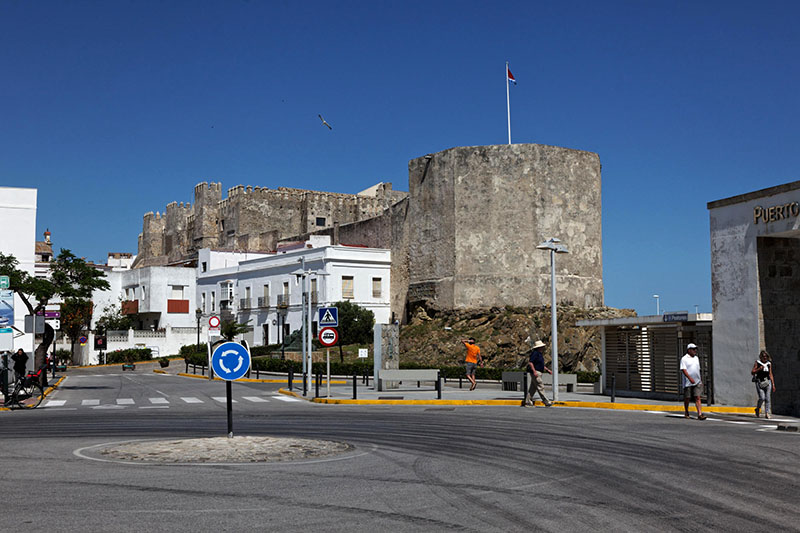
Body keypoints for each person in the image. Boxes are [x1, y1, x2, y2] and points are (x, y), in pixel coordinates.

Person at [680, 343, 706, 420]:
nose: (695, 351)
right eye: (693, 349)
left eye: (695, 349)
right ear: (689, 350)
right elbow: (683, 370)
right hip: (688, 382)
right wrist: (689, 378)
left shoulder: (696, 358)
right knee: (687, 397)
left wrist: (700, 380)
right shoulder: (684, 359)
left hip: (697, 381)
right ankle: (686, 411)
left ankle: (700, 414)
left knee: (697, 397)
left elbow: (698, 370)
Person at [524, 340, 553, 407]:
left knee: (533, 388)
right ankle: (546, 401)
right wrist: (534, 371)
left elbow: (541, 365)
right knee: (540, 386)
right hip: (536, 372)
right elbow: (531, 363)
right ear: (539, 347)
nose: (543, 348)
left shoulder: (539, 354)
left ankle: (528, 402)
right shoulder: (535, 353)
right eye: (542, 347)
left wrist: (547, 370)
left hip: (539, 371)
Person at [751, 350, 776, 419]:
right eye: (763, 357)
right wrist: (759, 369)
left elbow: (770, 374)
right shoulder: (757, 363)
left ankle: (767, 413)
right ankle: (757, 409)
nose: (765, 358)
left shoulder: (769, 364)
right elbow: (752, 372)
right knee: (762, 398)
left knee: (768, 398)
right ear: (761, 357)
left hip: (768, 382)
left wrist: (773, 384)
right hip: (759, 382)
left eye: (766, 357)